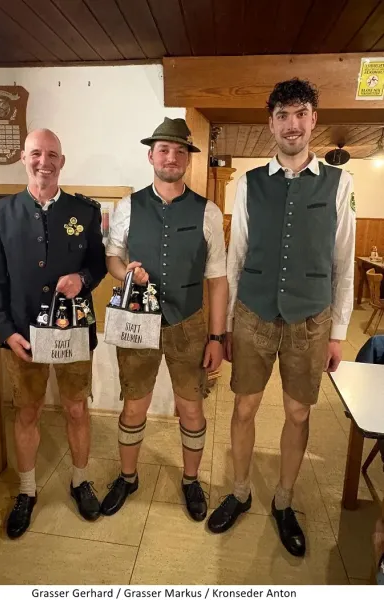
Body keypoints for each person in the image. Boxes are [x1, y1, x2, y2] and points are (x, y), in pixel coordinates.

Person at [208, 79, 356, 557]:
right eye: (282, 116)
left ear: (313, 120)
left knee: (298, 412)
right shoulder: (249, 184)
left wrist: (337, 333)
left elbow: (343, 264)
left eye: (300, 114)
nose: (292, 125)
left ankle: (285, 499)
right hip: (253, 313)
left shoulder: (340, 183)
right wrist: (228, 326)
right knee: (244, 407)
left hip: (311, 318)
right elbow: (235, 255)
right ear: (270, 124)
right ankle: (240, 490)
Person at [0, 128, 107, 539]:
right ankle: (27, 491)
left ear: (62, 162)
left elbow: (98, 264)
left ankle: (80, 481)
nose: (44, 161)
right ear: (24, 158)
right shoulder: (0, 213)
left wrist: (82, 279)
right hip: (24, 335)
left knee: (76, 409)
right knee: (28, 412)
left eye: (52, 154)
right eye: (36, 153)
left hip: (74, 334)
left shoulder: (84, 212)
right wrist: (5, 333)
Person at [102, 117, 227, 521]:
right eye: (163, 149)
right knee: (134, 406)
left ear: (188, 159)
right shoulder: (128, 206)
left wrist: (217, 337)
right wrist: (125, 272)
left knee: (191, 409)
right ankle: (127, 477)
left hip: (189, 323)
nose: (171, 157)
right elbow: (112, 257)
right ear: (151, 156)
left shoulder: (208, 212)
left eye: (179, 151)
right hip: (137, 320)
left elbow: (218, 279)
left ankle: (191, 481)